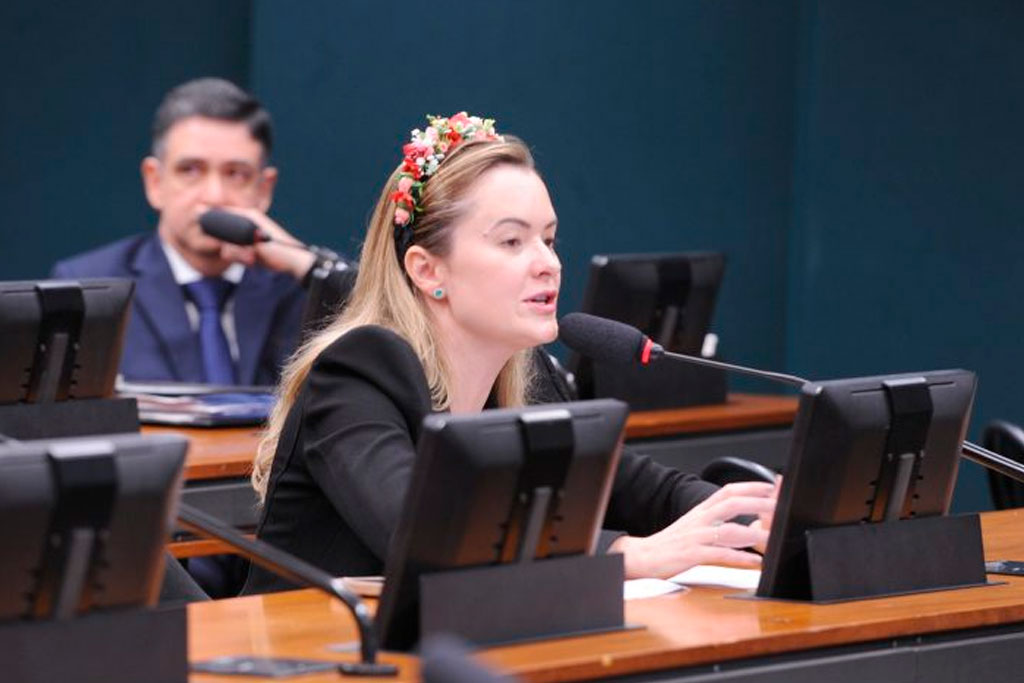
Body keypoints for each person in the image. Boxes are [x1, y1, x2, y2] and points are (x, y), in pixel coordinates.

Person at [244, 113, 777, 593]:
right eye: (512, 242)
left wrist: (748, 519)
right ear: (428, 270)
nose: (548, 263)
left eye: (550, 239)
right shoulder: (357, 374)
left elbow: (641, 489)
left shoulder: (526, 371)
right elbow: (423, 533)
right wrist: (626, 554)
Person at [51, 77, 321, 385]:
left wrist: (305, 267)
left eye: (236, 174)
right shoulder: (89, 287)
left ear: (264, 189)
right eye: (190, 170)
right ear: (154, 182)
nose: (214, 196)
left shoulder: (304, 288)